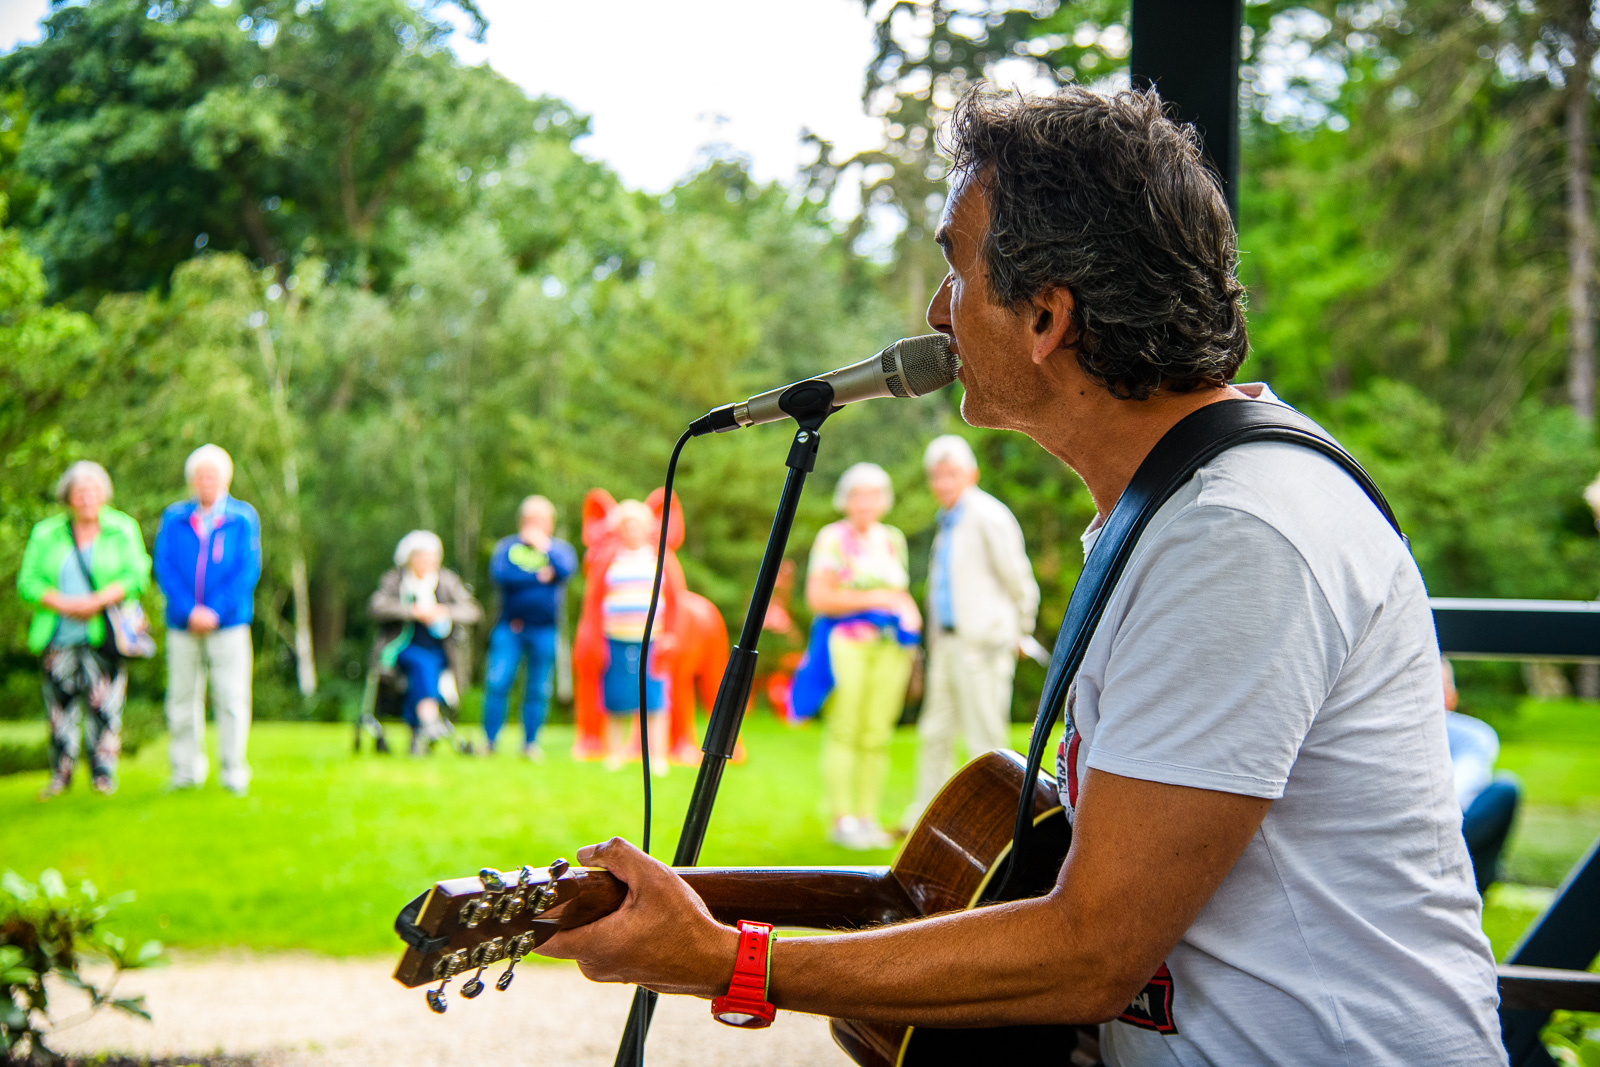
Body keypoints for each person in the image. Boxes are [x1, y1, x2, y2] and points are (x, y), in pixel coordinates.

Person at [536, 87, 1504, 1066]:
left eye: (954, 264)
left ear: (1045, 315)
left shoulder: (1237, 536)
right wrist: (681, 905)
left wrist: (731, 961)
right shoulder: (1178, 511)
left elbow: (1090, 951)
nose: (932, 308)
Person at [904, 434, 1039, 828]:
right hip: (946, 644)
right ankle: (925, 821)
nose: (942, 482)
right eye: (936, 475)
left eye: (951, 474)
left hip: (983, 644)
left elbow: (1019, 580)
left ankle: (993, 826)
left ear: (972, 474)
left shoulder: (987, 514)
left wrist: (1021, 630)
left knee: (984, 737)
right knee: (934, 733)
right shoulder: (947, 520)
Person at [802, 462, 921, 850]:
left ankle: (867, 817)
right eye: (858, 494)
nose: (866, 502)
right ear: (846, 499)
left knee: (876, 733)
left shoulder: (892, 539)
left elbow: (899, 591)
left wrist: (908, 609)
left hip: (892, 648)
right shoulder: (832, 539)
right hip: (848, 644)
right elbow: (818, 599)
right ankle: (842, 819)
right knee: (847, 727)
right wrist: (875, 599)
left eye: (874, 494)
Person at [18, 461, 151, 798]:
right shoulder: (47, 534)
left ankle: (103, 775)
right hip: (58, 633)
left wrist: (97, 601)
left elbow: (137, 575)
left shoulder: (121, 529)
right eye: (79, 493)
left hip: (103, 635)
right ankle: (60, 775)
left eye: (92, 492)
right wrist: (65, 604)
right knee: (59, 709)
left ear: (103, 495)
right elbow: (28, 581)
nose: (87, 499)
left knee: (105, 707)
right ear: (68, 498)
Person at [154, 445, 261, 796]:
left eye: (212, 475)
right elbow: (164, 567)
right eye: (200, 475)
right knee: (182, 698)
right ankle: (185, 771)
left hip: (228, 624)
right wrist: (189, 610)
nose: (206, 481)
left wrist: (214, 610)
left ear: (225, 478)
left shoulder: (242, 518)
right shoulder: (175, 518)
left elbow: (247, 570)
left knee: (231, 698)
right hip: (182, 624)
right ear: (191, 480)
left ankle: (233, 771)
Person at [369, 530, 482, 756]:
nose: (425, 562)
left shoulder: (447, 581)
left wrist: (444, 611)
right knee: (423, 665)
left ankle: (417, 736)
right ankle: (430, 723)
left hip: (442, 649)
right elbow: (376, 607)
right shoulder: (396, 581)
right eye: (420, 556)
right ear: (408, 558)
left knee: (424, 672)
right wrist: (412, 612)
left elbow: (473, 611)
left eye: (430, 557)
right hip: (402, 647)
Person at [482, 496, 578, 758]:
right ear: (521, 521)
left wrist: (544, 549)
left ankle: (530, 744)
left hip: (545, 629)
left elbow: (566, 570)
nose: (534, 524)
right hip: (509, 628)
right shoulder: (507, 547)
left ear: (550, 523)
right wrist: (539, 576)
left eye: (541, 520)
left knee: (538, 688)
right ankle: (489, 742)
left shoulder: (559, 549)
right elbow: (502, 576)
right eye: (530, 519)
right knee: (498, 682)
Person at [596, 500, 672, 774]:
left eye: (636, 526)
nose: (631, 532)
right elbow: (595, 596)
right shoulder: (609, 557)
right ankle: (615, 753)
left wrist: (671, 635)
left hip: (653, 639)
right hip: (616, 637)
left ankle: (657, 757)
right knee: (616, 697)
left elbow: (674, 597)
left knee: (654, 698)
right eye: (626, 526)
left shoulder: (660, 556)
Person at [1443, 658, 1523, 895]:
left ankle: (1471, 885)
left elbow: (1462, 790)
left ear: (1452, 696)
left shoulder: (1472, 734)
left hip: (1452, 824)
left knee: (1505, 788)